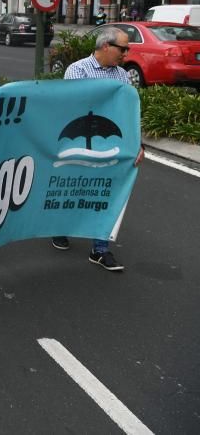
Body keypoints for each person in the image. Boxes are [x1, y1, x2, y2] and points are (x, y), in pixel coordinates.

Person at [52, 27, 144, 269]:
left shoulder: (122, 76)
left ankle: (100, 249)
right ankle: (61, 227)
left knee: (106, 192)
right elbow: (72, 105)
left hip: (110, 142)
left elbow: (128, 113)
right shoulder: (78, 70)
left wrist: (138, 144)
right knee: (75, 188)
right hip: (80, 140)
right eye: (123, 48)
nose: (126, 53)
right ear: (106, 46)